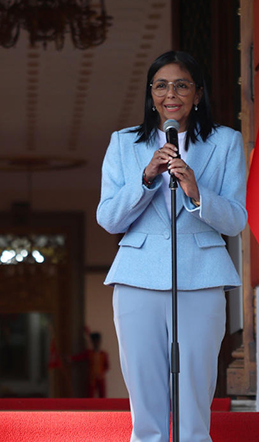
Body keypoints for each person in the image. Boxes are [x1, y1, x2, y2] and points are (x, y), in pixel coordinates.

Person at [96, 51, 246, 442]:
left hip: (202, 276)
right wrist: (145, 178)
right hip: (137, 278)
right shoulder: (124, 143)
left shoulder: (226, 141)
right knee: (145, 398)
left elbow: (236, 220)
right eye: (161, 85)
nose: (171, 93)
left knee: (195, 396)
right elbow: (109, 218)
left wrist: (198, 193)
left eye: (181, 84)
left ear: (198, 94)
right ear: (151, 95)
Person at [69, 331, 110, 398]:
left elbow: (106, 366)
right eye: (94, 342)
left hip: (100, 377)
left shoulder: (103, 354)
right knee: (90, 395)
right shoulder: (90, 353)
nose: (96, 343)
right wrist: (71, 358)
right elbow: (80, 357)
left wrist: (101, 373)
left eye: (97, 341)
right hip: (92, 378)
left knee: (102, 395)